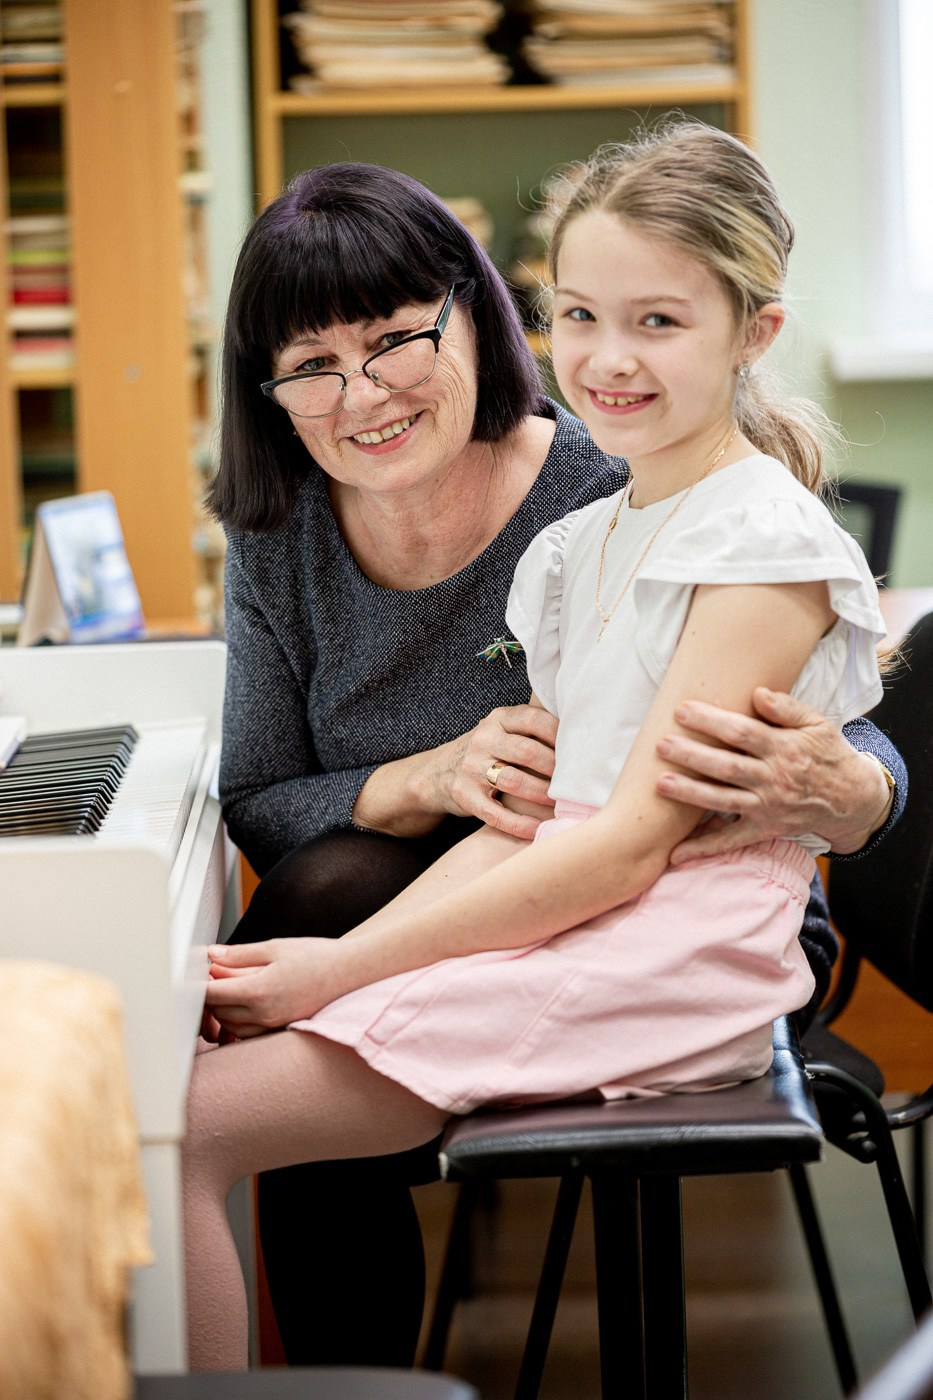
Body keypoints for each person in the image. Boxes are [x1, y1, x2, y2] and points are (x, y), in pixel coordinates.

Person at [197, 153, 906, 1369]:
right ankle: (350, 1360)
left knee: (228, 1062)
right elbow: (263, 795)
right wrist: (423, 782)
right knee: (308, 914)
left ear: (474, 313)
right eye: (311, 364)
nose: (360, 393)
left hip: (658, 914)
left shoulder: (623, 469)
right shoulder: (329, 535)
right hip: (513, 886)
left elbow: (796, 729)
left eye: (394, 340)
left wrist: (861, 788)